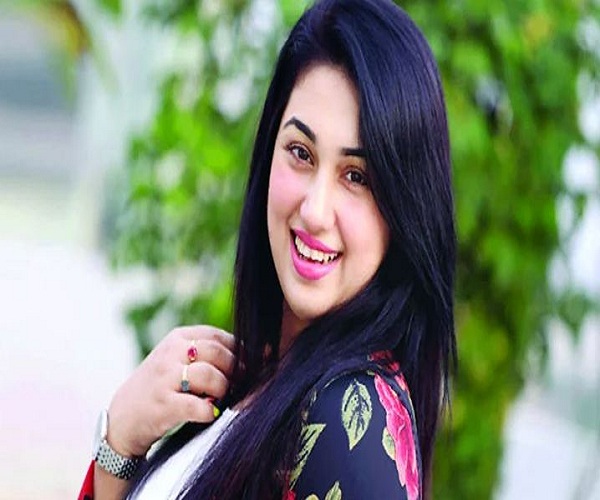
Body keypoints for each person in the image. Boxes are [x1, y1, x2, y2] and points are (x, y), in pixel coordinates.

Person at [79, 0, 456, 498]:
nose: (315, 211)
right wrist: (121, 442)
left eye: (357, 177)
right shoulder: (261, 384)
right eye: (301, 153)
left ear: (405, 208)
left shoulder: (350, 421)